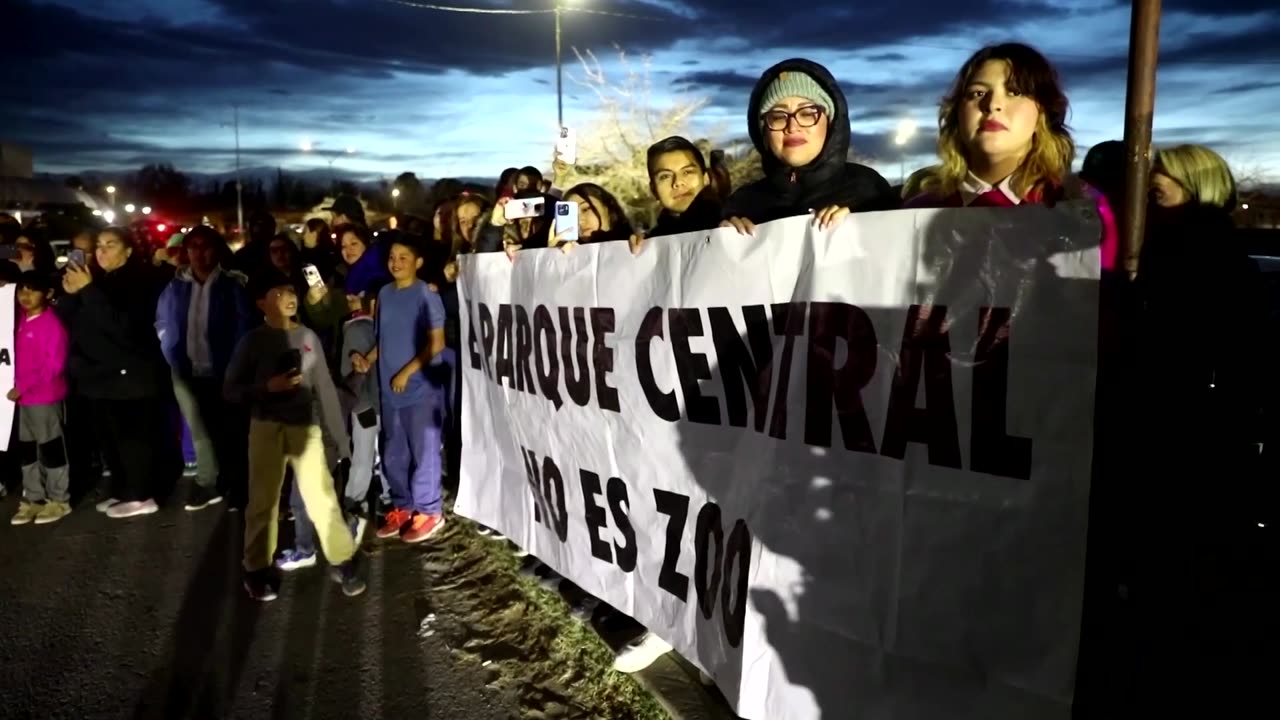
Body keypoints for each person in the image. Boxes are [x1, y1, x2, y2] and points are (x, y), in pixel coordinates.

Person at [904, 43, 1117, 268]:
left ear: (1042, 113)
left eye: (1014, 91)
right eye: (978, 93)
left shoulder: (1080, 210)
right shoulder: (918, 213)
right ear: (957, 113)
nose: (992, 104)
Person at [223, 271, 364, 601]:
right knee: (263, 501)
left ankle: (342, 559)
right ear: (261, 303)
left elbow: (326, 390)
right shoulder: (252, 341)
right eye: (277, 292)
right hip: (266, 427)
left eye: (291, 291)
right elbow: (231, 390)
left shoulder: (308, 337)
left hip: (306, 427)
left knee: (322, 497)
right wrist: (266, 388)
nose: (288, 296)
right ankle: (256, 568)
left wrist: (341, 440)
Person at [58, 227, 175, 519]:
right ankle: (123, 490)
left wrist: (87, 290)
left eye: (110, 245)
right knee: (110, 439)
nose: (102, 251)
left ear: (129, 251)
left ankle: (142, 494)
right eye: (98, 245)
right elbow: (71, 321)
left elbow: (123, 328)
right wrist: (72, 295)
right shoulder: (98, 280)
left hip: (129, 377)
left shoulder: (141, 282)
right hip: (99, 377)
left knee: (132, 440)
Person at [722, 58, 898, 235]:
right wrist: (721, 242)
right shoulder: (741, 205)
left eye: (807, 113)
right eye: (778, 117)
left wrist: (864, 223)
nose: (792, 127)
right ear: (763, 132)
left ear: (831, 123)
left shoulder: (869, 191)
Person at [352, 234, 448, 543]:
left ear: (418, 262)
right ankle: (404, 506)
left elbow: (437, 343)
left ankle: (430, 511)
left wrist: (407, 372)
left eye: (403, 257)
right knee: (393, 452)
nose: (396, 263)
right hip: (389, 390)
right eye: (392, 257)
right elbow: (384, 339)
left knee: (424, 452)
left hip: (421, 390)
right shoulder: (384, 294)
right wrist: (368, 360)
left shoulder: (426, 295)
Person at [155, 226, 253, 511]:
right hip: (185, 370)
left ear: (217, 249)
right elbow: (162, 322)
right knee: (199, 430)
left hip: (223, 371)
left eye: (205, 245)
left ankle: (237, 486)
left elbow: (243, 327)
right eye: (193, 246)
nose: (199, 252)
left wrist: (236, 364)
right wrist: (171, 352)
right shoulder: (176, 286)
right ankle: (207, 482)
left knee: (230, 431)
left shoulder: (231, 285)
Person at [8, 271, 71, 525]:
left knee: (51, 448)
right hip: (22, 400)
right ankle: (34, 497)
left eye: (33, 290)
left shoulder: (51, 324)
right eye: (22, 289)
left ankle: (59, 500)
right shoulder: (19, 320)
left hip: (44, 397)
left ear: (49, 294)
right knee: (27, 451)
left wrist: (25, 385)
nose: (25, 295)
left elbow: (55, 364)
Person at [631, 136, 723, 253]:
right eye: (665, 176)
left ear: (706, 179)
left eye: (687, 172)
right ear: (653, 189)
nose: (678, 182)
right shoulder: (651, 245)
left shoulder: (731, 225)